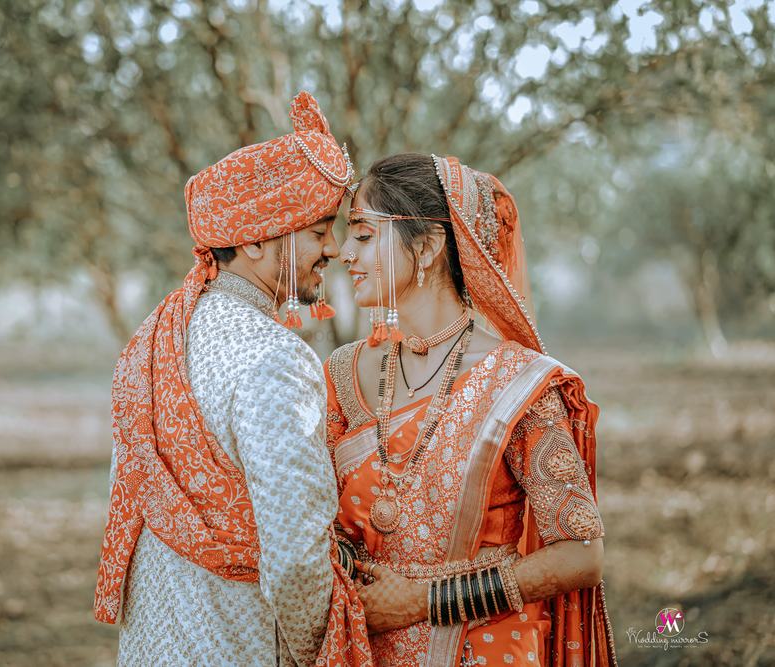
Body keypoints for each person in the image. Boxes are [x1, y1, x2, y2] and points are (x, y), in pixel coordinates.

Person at [93, 92, 371, 667]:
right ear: (253, 240)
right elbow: (295, 557)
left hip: (153, 645)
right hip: (235, 646)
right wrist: (320, 650)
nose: (336, 249)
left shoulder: (158, 338)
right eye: (319, 230)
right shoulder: (274, 358)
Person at [324, 153, 617, 666]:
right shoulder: (346, 373)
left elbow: (582, 554)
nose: (344, 251)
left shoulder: (516, 384)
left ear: (429, 246)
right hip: (364, 646)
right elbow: (316, 517)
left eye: (364, 235)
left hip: (480, 648)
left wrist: (423, 602)